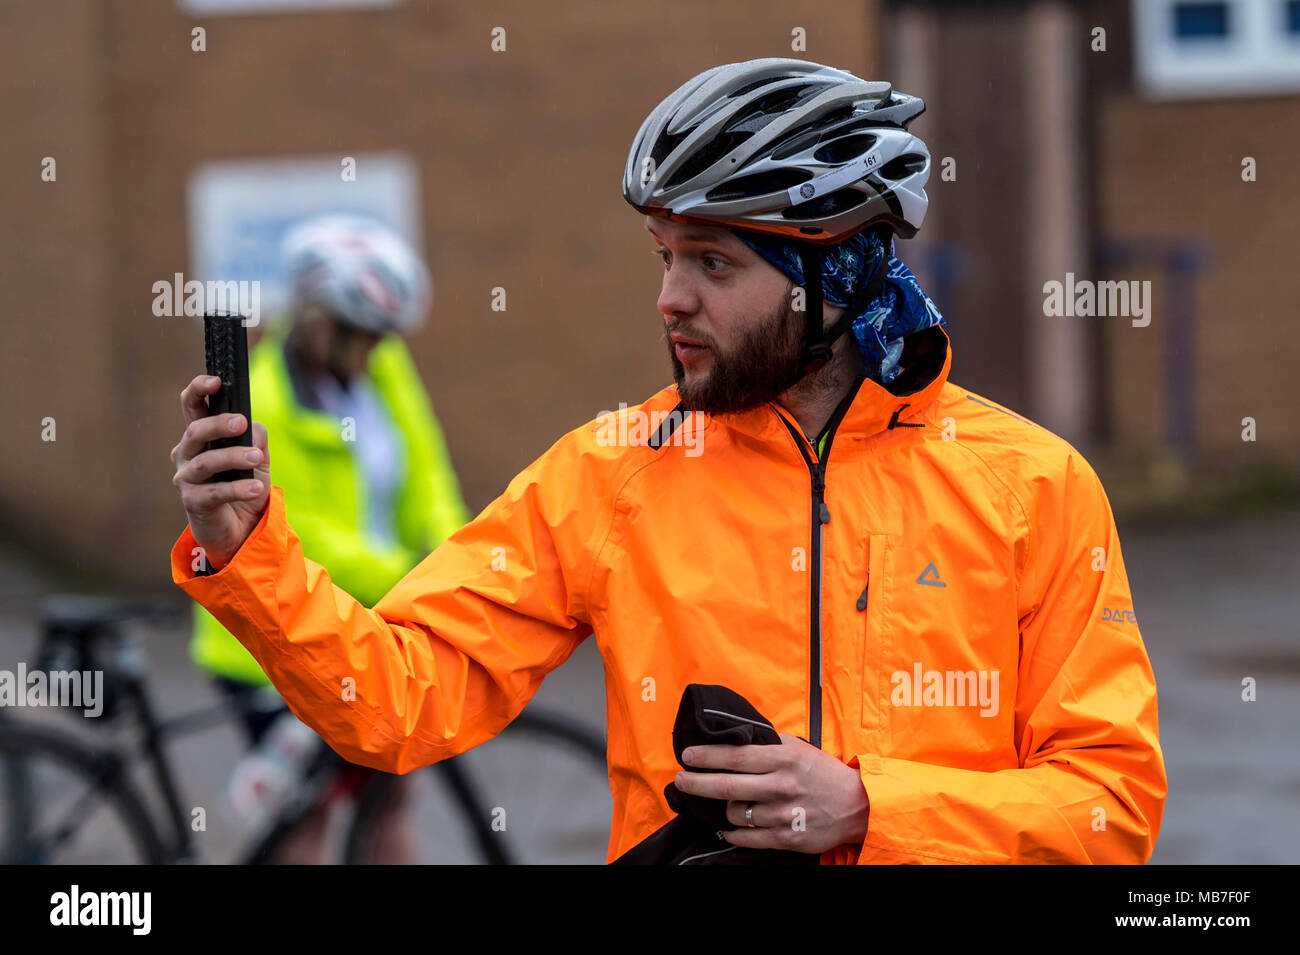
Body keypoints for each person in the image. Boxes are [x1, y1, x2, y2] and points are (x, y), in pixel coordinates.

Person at [168, 58, 1166, 864]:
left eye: (713, 262)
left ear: (838, 271)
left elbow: (1110, 807)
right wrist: (250, 548)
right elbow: (395, 700)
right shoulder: (611, 473)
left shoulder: (1031, 486)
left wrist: (870, 808)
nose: (670, 298)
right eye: (664, 255)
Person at [187, 213, 471, 863]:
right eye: (360, 334)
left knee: (393, 791)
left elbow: (427, 467)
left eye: (381, 336)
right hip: (270, 638)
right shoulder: (264, 401)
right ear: (318, 320)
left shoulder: (384, 364)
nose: (373, 351)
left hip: (373, 617)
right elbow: (298, 532)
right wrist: (408, 573)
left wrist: (455, 554)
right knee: (306, 816)